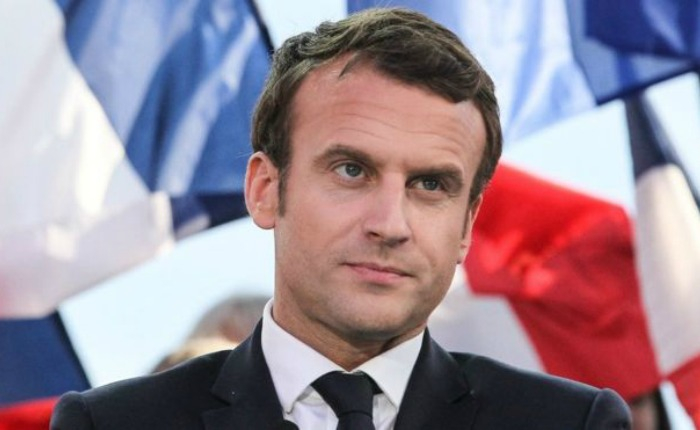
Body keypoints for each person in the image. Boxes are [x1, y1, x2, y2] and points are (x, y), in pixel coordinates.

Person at [51, 8, 631, 430]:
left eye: (430, 185)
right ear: (265, 190)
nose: (390, 224)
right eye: (352, 171)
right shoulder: (113, 424)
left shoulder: (571, 423)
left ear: (466, 226)